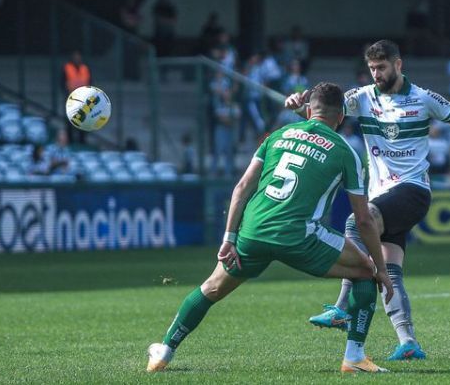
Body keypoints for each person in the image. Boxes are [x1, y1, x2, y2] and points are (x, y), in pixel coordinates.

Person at [287, 40, 450, 360]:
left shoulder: (423, 99)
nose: (376, 74)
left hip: (412, 191)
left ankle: (341, 308)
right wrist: (301, 105)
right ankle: (408, 342)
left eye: (381, 67)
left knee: (357, 221)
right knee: (389, 270)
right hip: (384, 197)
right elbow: (322, 115)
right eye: (371, 68)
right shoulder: (363, 97)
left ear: (398, 64)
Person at [146, 82, 395, 373]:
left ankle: (164, 351)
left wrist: (228, 238)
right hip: (298, 235)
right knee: (365, 271)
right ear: (341, 116)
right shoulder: (345, 152)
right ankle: (354, 357)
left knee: (211, 288)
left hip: (253, 231)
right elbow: (363, 220)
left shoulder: (276, 136)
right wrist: (381, 270)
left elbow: (241, 188)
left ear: (310, 109)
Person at [63, 51, 92, 144]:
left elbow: (90, 82)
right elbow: (63, 82)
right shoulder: (67, 68)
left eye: (78, 57)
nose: (77, 59)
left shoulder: (85, 68)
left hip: (83, 98)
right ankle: (70, 140)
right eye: (75, 57)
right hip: (71, 98)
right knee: (70, 120)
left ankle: (82, 140)